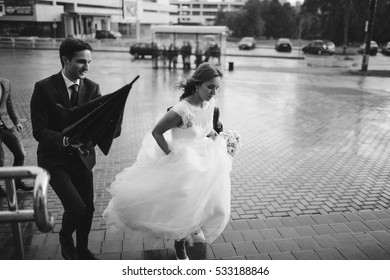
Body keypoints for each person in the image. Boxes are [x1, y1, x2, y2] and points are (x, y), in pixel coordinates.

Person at [103, 62, 232, 260]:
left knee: (205, 199)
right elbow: (157, 132)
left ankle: (195, 227)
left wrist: (217, 136)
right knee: (184, 205)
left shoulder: (209, 104)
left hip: (206, 159)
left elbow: (206, 128)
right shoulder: (181, 110)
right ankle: (180, 244)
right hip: (185, 163)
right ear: (197, 85)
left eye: (217, 88)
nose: (214, 92)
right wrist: (170, 155)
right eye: (210, 87)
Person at [30, 38, 101, 260]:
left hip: (82, 159)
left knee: (88, 209)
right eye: (81, 62)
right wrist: (65, 141)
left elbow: (99, 123)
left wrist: (110, 125)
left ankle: (82, 249)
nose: (86, 67)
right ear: (65, 60)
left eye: (89, 62)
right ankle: (64, 237)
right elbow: (39, 131)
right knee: (77, 208)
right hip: (54, 160)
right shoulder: (43, 88)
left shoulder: (93, 88)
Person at [0, 77, 33, 197]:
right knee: (0, 160)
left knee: (20, 154)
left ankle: (16, 182)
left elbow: (9, 103)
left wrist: (16, 121)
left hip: (7, 125)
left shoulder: (6, 83)